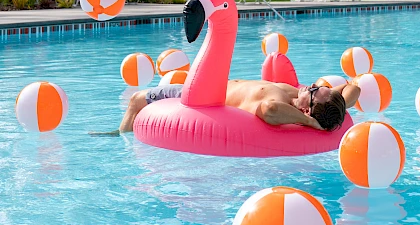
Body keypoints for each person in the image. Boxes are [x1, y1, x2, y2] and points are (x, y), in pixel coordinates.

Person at [89, 79, 360, 137]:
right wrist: (339, 103)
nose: (310, 86)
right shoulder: (302, 98)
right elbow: (353, 89)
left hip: (204, 95)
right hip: (212, 83)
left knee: (137, 99)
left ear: (309, 112)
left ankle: (119, 136)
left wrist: (312, 124)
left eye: (314, 91)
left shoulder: (280, 106)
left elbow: (268, 111)